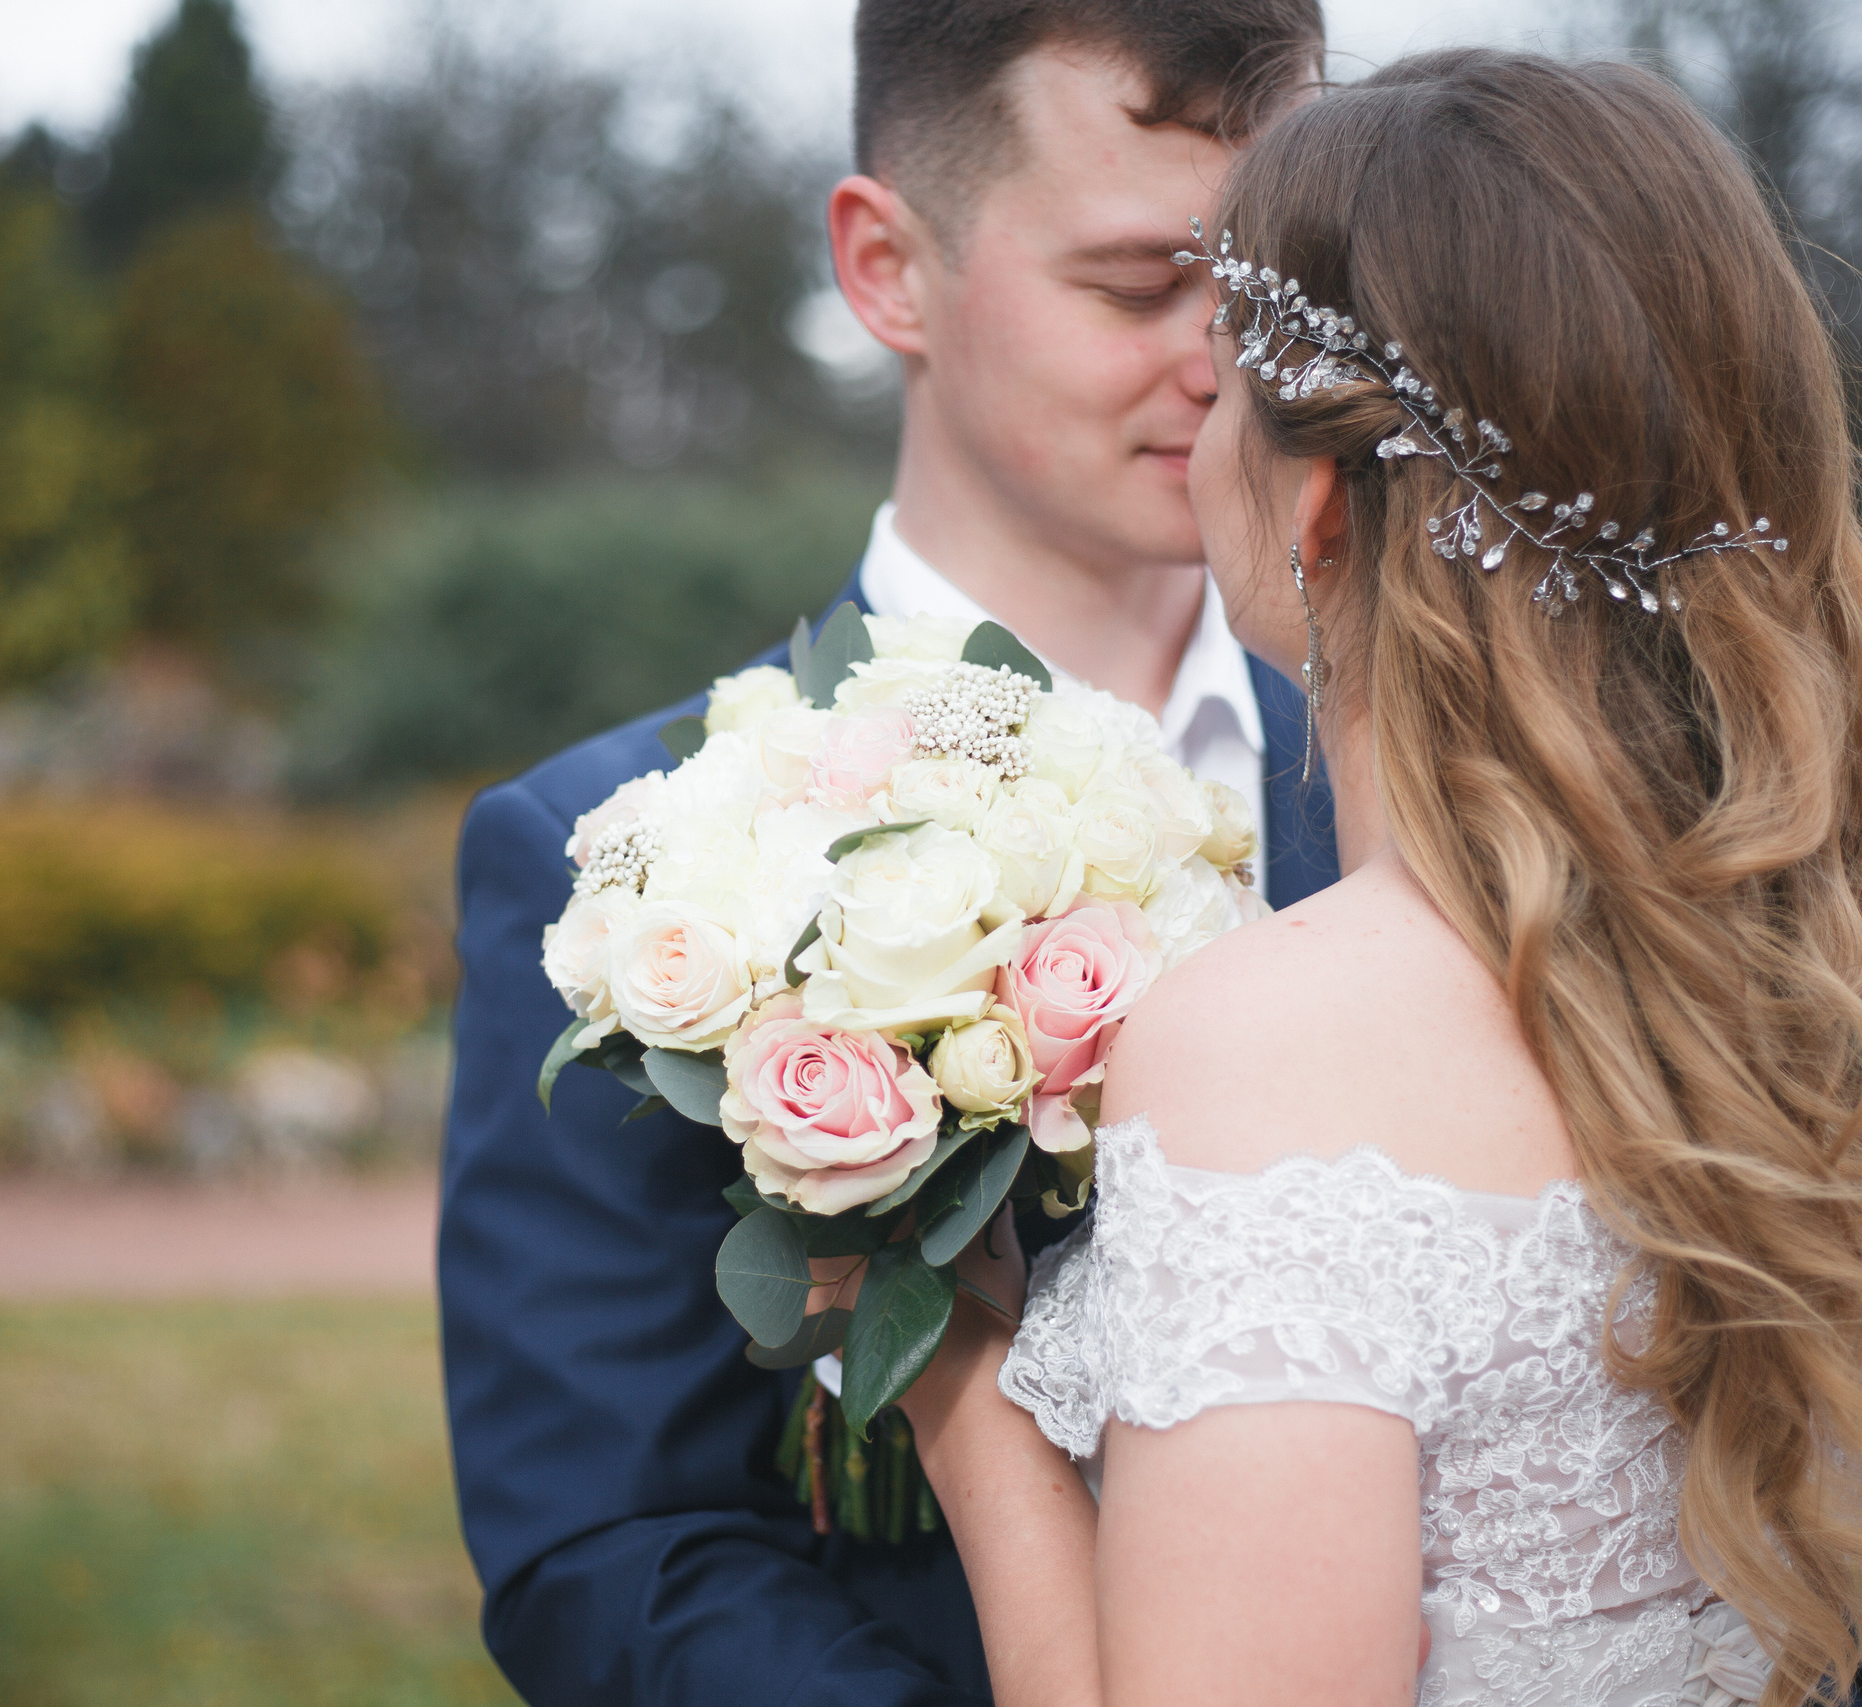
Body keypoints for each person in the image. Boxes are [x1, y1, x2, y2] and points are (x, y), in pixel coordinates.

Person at [893, 45, 1862, 1707]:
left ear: (1317, 502)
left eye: (1226, 364)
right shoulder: (1768, 963)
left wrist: (963, 1394)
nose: (1191, 403)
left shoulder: (1271, 1046)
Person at [439, 3, 1333, 1702]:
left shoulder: (1447, 794)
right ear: (886, 269)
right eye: (1143, 282)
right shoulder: (614, 863)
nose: (1231, 359)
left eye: (1279, 285)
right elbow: (613, 1555)